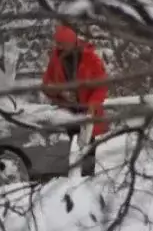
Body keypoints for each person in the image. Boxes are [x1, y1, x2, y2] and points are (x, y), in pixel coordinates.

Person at [43, 24, 109, 176]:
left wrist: (93, 104)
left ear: (71, 42)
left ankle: (88, 177)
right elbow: (47, 81)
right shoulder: (56, 56)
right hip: (66, 108)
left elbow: (102, 86)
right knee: (61, 143)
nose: (58, 47)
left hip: (87, 110)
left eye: (61, 44)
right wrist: (55, 91)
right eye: (57, 43)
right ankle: (59, 176)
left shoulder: (90, 57)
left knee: (88, 145)